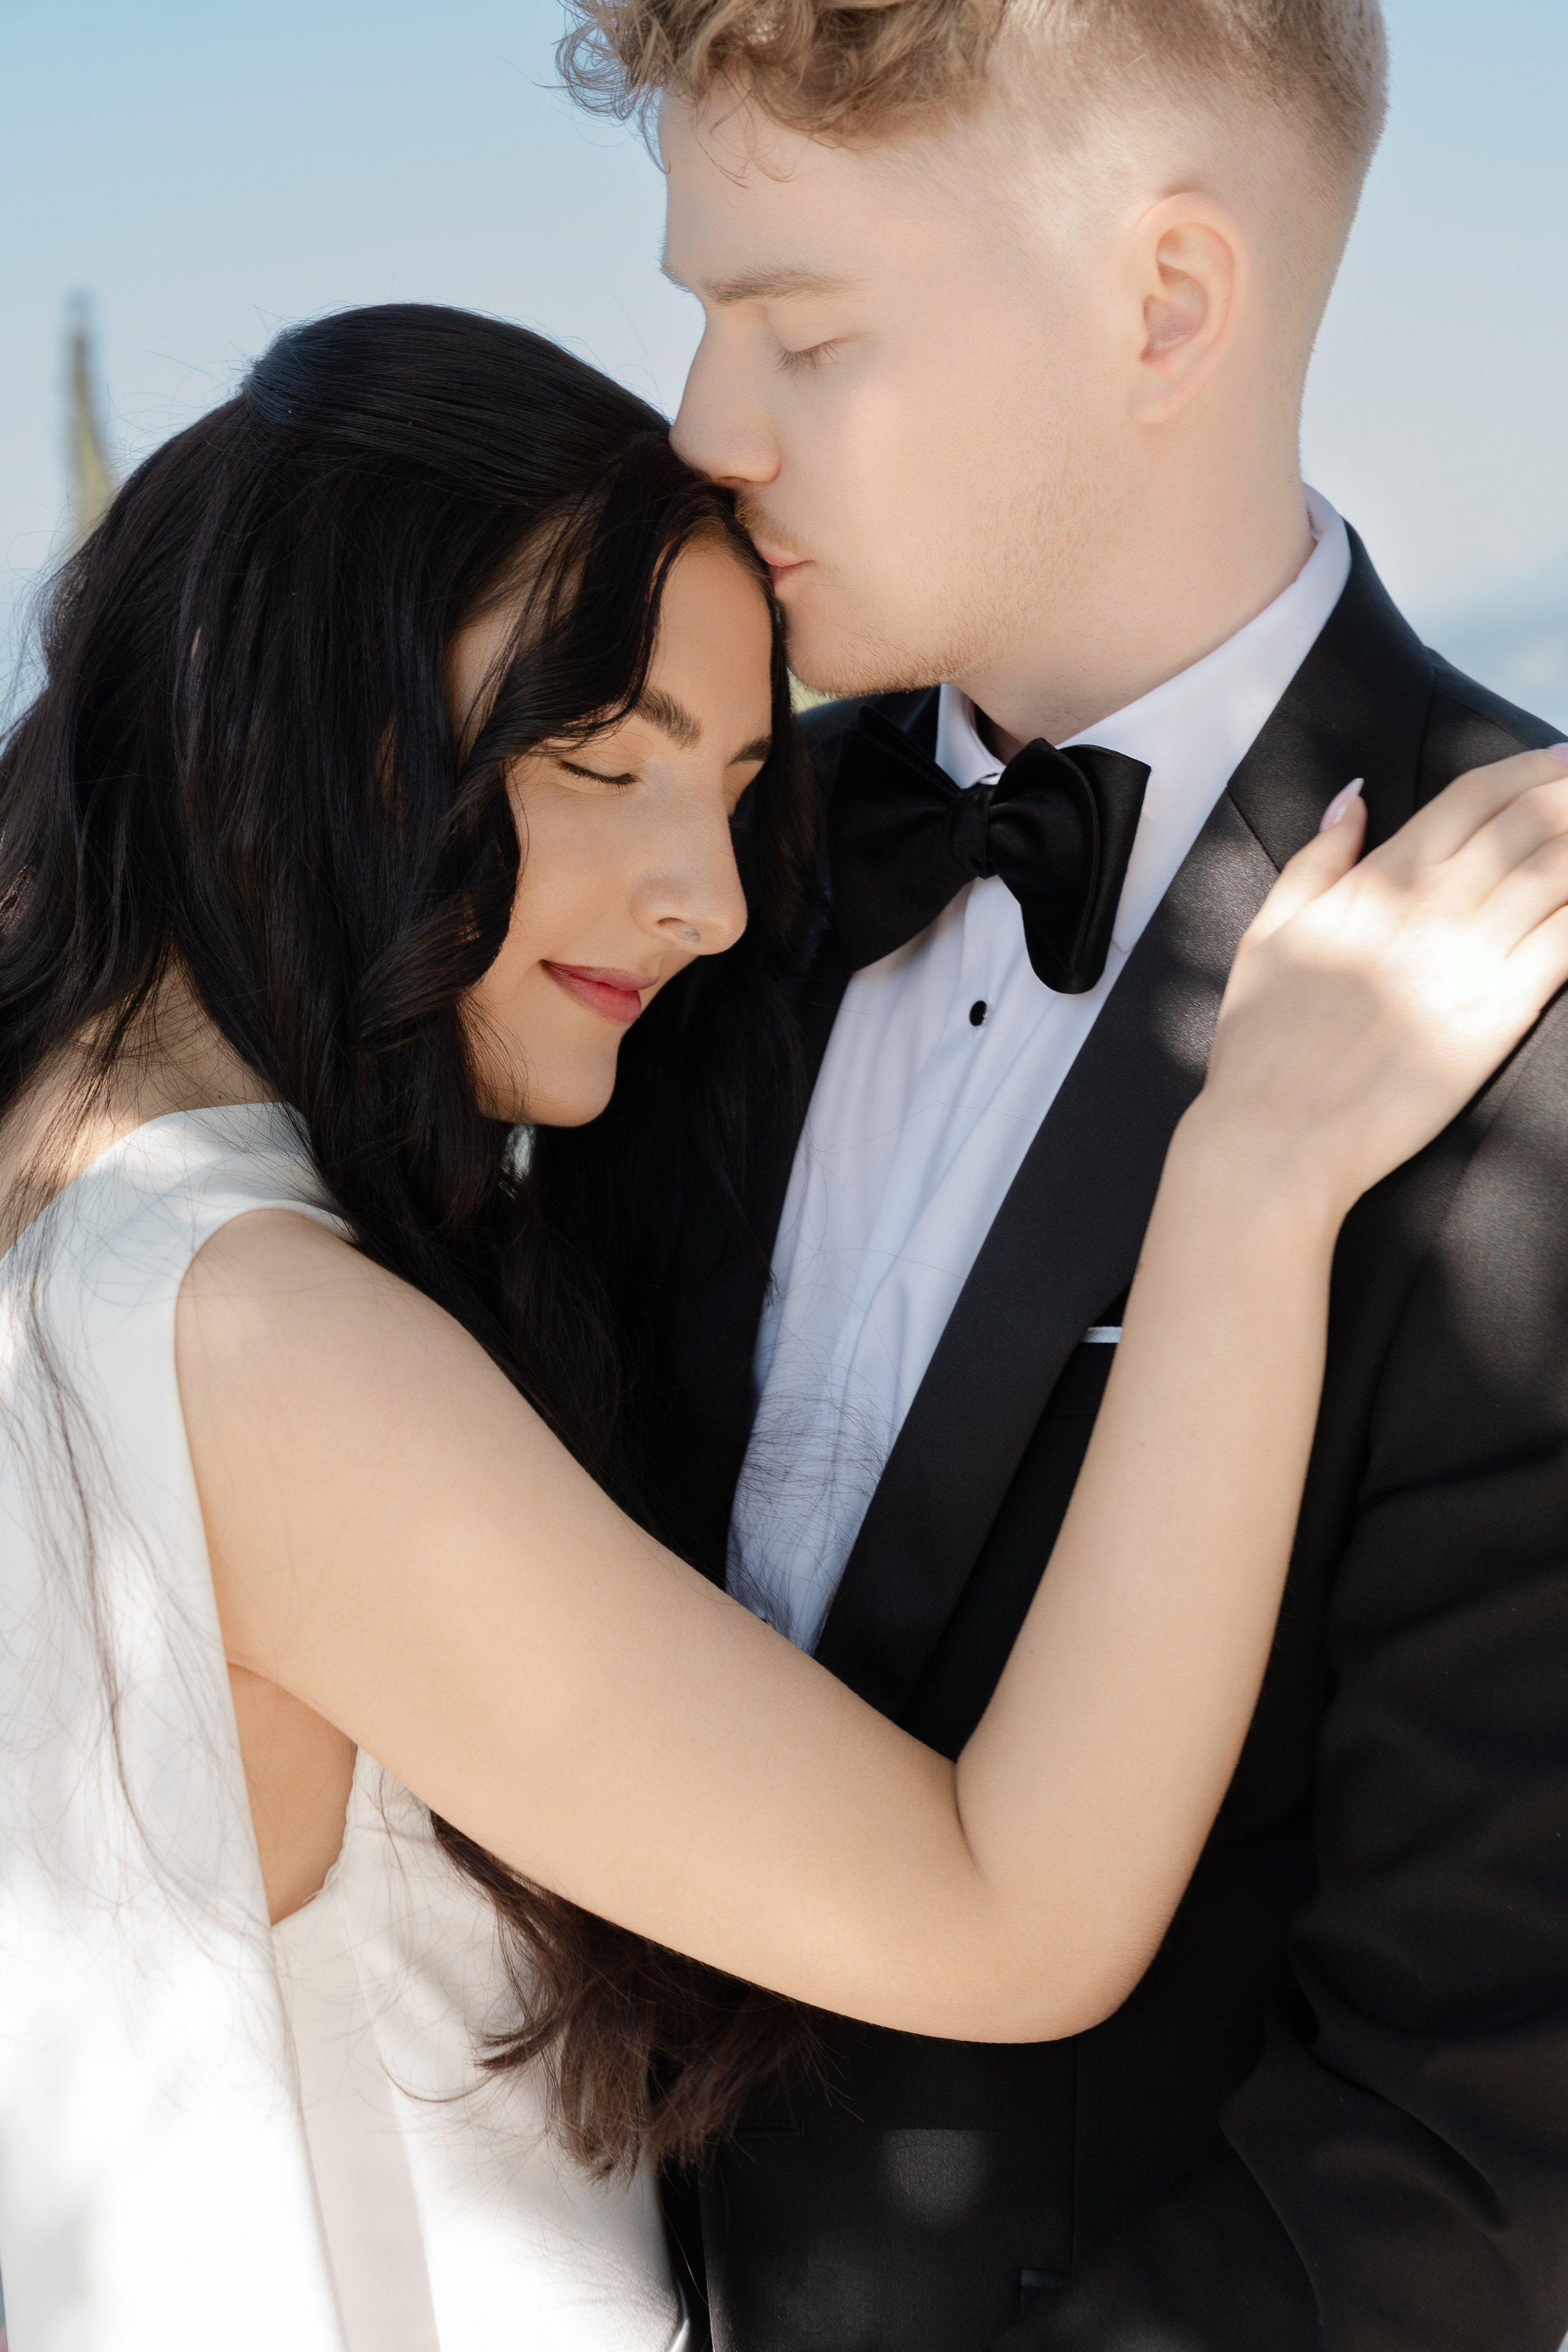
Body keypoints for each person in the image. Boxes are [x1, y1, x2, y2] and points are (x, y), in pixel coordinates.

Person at [0, 303, 1562, 2352]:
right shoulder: (257, 1339)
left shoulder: (72, 1208)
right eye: (603, 760)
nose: (715, 901)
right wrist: (1253, 1174)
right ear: (289, 712)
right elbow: (1011, 1915)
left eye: (734, 785)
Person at [559, 2, 1568, 2346]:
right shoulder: (688, 879)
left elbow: (1472, 2146)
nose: (706, 431)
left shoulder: (1514, 1023)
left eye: (802, 331)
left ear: (1168, 307)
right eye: (700, 316)